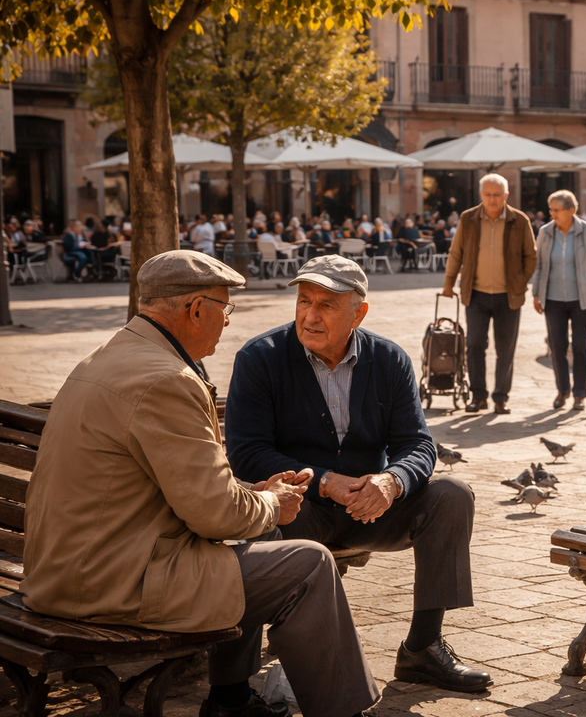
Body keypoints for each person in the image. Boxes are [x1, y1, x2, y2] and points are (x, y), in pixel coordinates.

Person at [20, 250, 379, 717]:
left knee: (265, 541)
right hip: (111, 583)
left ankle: (231, 698)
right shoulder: (166, 379)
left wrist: (256, 496)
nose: (227, 322)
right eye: (225, 308)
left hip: (67, 569)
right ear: (195, 309)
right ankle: (342, 711)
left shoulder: (109, 356)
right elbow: (215, 515)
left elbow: (184, 490)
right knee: (307, 564)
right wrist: (272, 502)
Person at [225, 256, 490, 692]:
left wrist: (393, 481)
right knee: (260, 519)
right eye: (304, 300)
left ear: (358, 313)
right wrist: (325, 480)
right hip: (300, 508)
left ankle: (422, 649)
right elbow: (247, 453)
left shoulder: (388, 359)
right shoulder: (261, 358)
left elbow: (417, 444)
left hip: (369, 509)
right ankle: (234, 683)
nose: (310, 316)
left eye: (327, 305)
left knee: (452, 494)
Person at [441, 174, 537, 414]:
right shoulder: (468, 218)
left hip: (509, 295)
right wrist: (449, 283)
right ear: (481, 195)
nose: (493, 199)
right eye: (488, 194)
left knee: (506, 349)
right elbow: (456, 253)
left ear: (506, 196)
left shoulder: (520, 220)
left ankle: (501, 397)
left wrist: (520, 281)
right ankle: (478, 396)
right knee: (474, 344)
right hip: (476, 293)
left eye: (497, 195)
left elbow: (531, 256)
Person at [530, 190, 586, 411]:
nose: (551, 214)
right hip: (553, 298)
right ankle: (563, 390)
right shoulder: (546, 232)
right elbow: (539, 265)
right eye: (550, 209)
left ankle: (580, 394)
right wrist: (536, 294)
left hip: (582, 299)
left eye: (556, 210)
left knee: (581, 347)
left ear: (570, 211)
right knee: (557, 346)